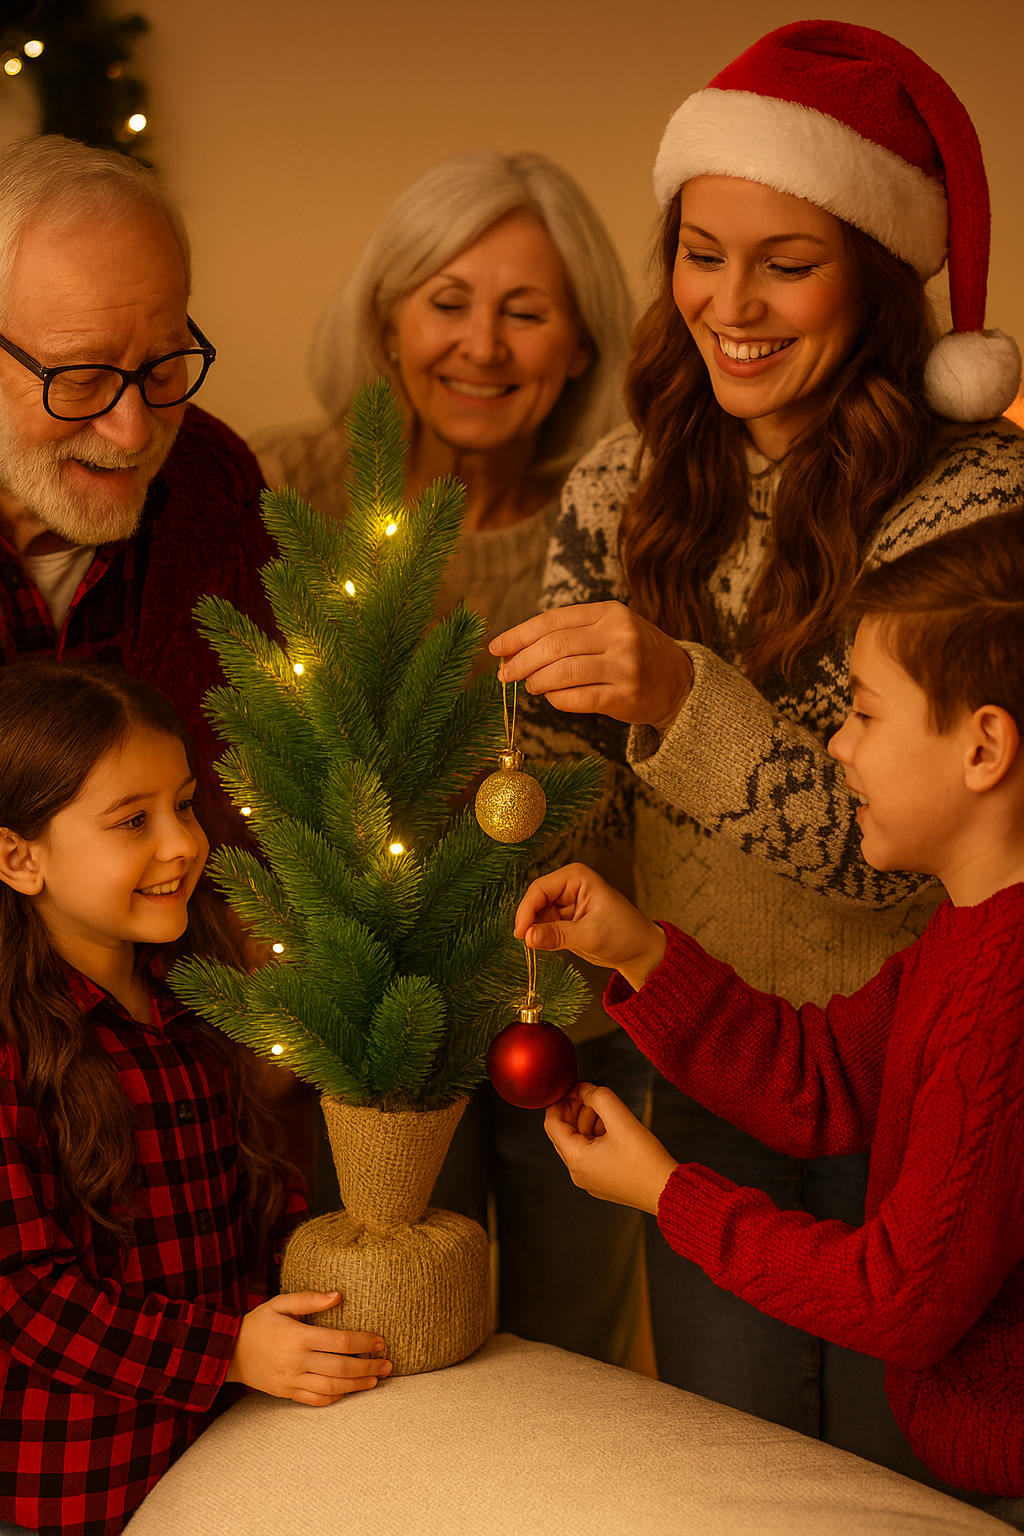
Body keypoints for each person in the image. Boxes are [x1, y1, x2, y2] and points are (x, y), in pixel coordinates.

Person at [491, 20, 1024, 1474]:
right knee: (736, 1467)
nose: (731, 302)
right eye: (700, 251)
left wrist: (680, 689)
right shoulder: (623, 480)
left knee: (896, 1466)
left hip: (909, 1072)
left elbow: (887, 840)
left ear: (877, 271)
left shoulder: (977, 498)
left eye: (785, 262)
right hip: (711, 1055)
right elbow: (568, 789)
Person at [516, 506, 1024, 1528]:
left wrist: (666, 1193)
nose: (835, 747)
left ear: (982, 748)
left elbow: (900, 1301)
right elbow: (827, 1078)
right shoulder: (967, 932)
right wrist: (640, 952)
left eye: (866, 715)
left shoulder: (1008, 992)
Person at [251, 152, 646, 1365]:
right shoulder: (275, 488)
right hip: (352, 1013)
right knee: (380, 1334)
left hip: (562, 1005)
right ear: (385, 319)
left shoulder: (621, 518)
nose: (483, 345)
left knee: (566, 1348)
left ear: (578, 346)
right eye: (447, 300)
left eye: (525, 312)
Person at [0, 660, 391, 1536]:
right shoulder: (12, 1046)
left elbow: (255, 1186)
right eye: (131, 821)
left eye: (182, 805)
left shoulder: (197, 997)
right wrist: (229, 1351)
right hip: (73, 1489)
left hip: (225, 1460)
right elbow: (24, 1296)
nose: (180, 844)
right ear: (19, 857)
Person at [0, 134, 279, 853]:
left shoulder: (216, 481)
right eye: (80, 378)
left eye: (162, 368)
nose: (131, 434)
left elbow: (260, 802)